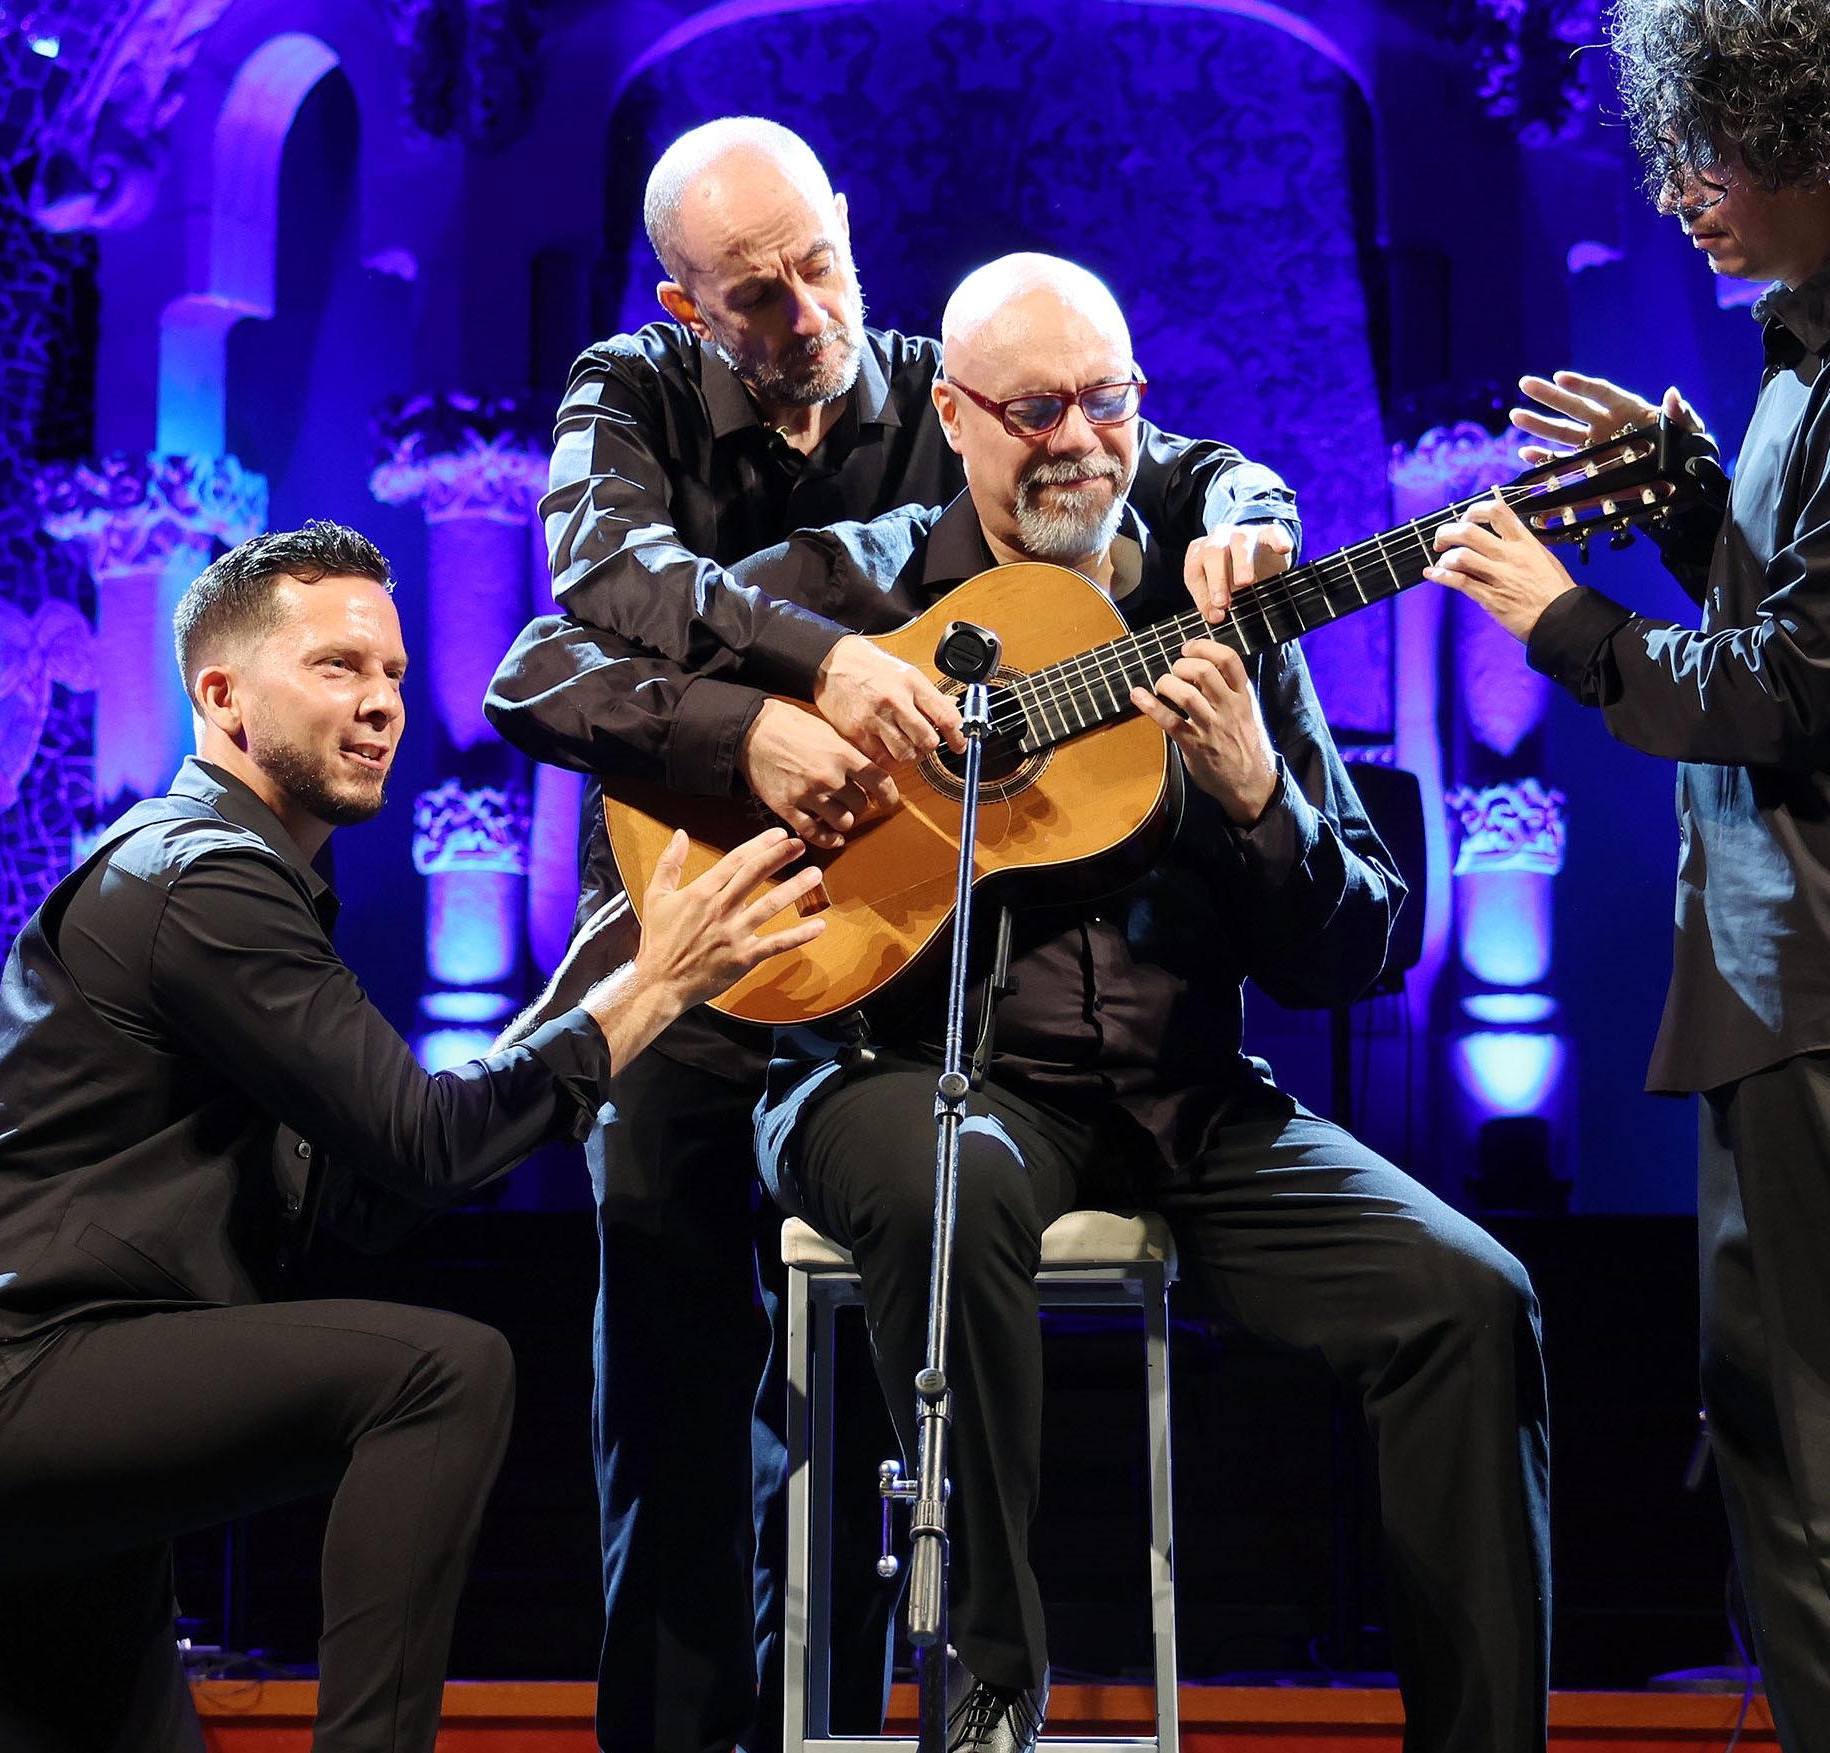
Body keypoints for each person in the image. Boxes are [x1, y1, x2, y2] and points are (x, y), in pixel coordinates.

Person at [500, 256, 1553, 1753]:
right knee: (954, 1180)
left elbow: (1359, 947)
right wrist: (758, 731)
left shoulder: (1214, 605)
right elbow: (548, 664)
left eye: (1105, 403)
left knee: (1473, 1297)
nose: (1076, 440)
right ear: (953, 416)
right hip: (895, 1070)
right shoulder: (852, 584)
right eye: (1034, 410)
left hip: (1185, 1103)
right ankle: (986, 1694)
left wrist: (1258, 798)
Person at [533, 116, 1300, 1753]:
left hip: (892, 961)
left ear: (847, 226)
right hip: (707, 923)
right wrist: (779, 700)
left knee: (884, 1320)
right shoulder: (633, 391)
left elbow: (1174, 464)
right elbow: (583, 602)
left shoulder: (939, 389)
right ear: (685, 306)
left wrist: (1255, 507)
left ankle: (876, 1706)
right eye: (755, 295)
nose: (804, 312)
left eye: (820, 266)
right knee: (666, 1345)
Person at [0, 520, 825, 1753]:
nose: (381, 703)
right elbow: (428, 1142)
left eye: (394, 672)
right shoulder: (199, 877)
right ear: (222, 697)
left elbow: (376, 1190)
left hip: (4, 1443)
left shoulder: (241, 885)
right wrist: (656, 986)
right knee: (439, 1374)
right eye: (337, 666)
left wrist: (592, 982)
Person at [1423, 2, 1830, 1746]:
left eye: (1708, 148)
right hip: (1796, 984)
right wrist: (1695, 501)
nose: (1678, 188)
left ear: (1819, 135)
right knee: (1791, 1452)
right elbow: (1820, 628)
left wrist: (1565, 621)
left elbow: (1784, 694)